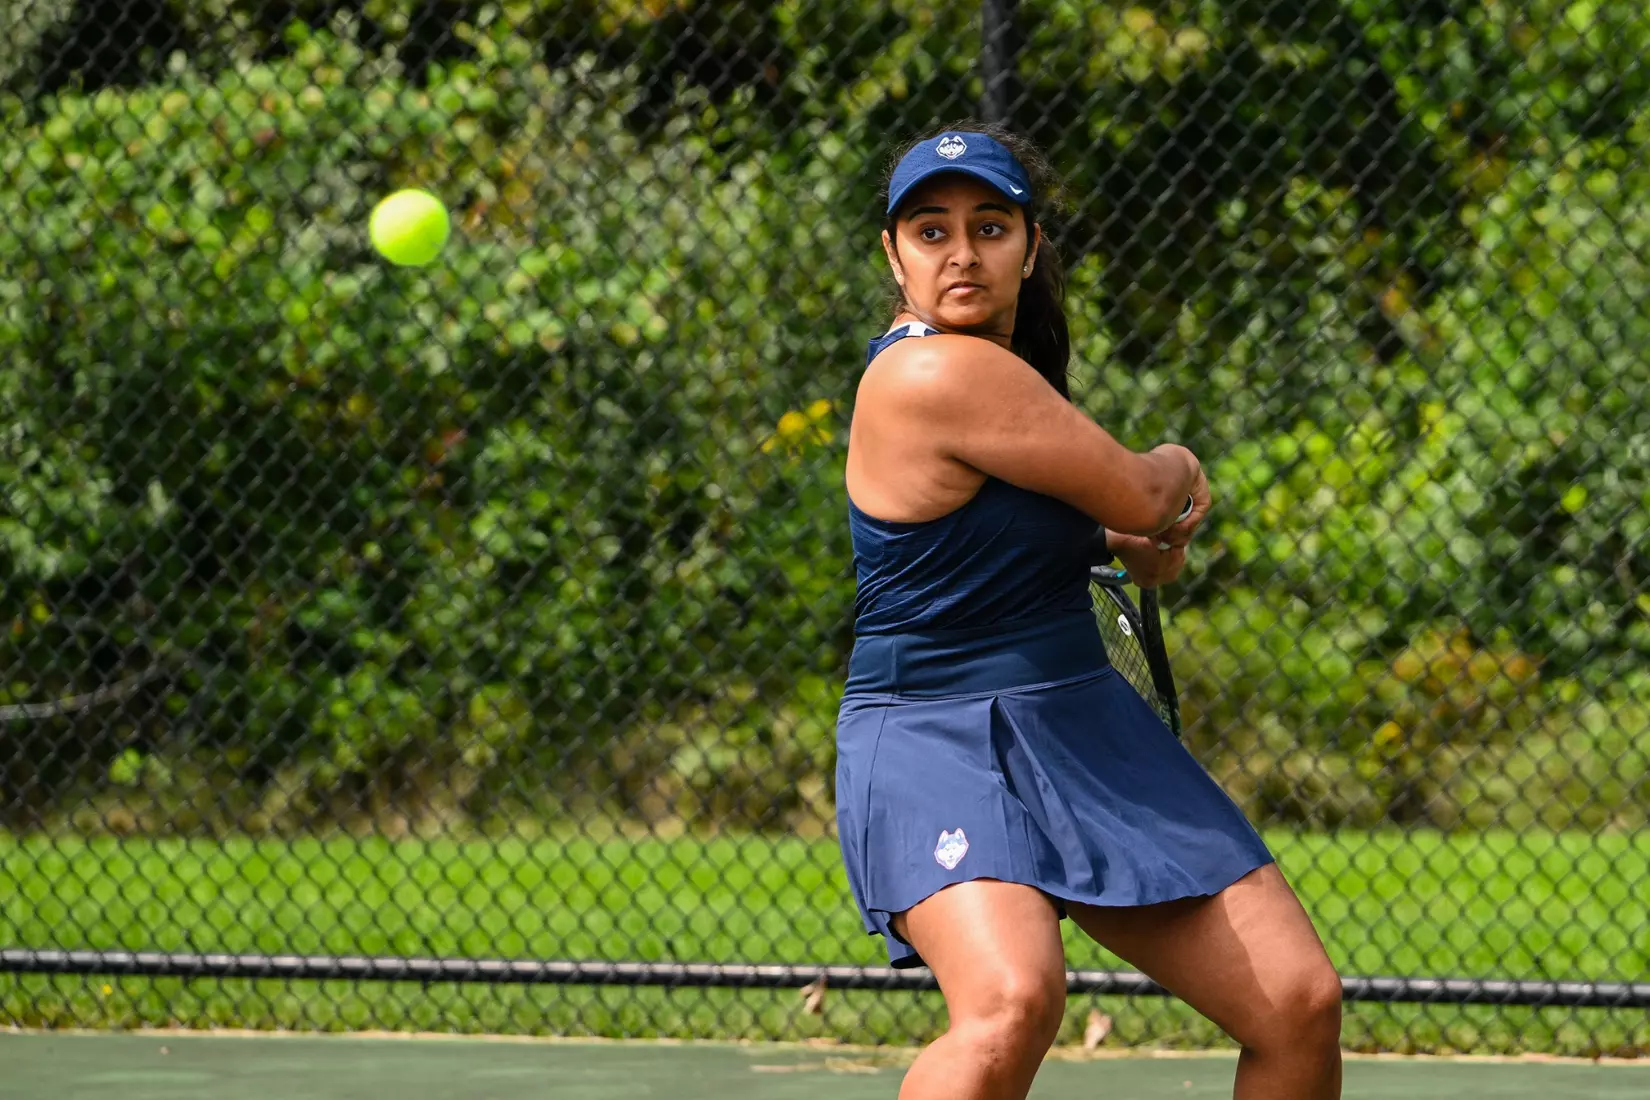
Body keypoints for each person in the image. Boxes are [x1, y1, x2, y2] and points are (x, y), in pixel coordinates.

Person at [833, 122, 1344, 1100]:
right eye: (930, 231)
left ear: (1029, 244)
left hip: (1077, 715)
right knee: (1010, 1000)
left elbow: (1094, 540)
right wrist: (1181, 469)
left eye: (989, 226)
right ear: (893, 254)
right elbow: (1147, 493)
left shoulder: (1008, 373)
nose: (962, 251)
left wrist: (1118, 539)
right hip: (935, 733)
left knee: (1296, 1000)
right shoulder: (931, 370)